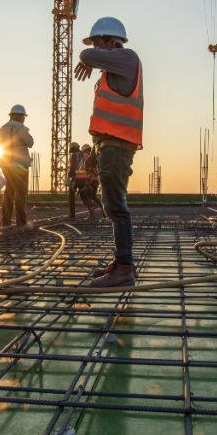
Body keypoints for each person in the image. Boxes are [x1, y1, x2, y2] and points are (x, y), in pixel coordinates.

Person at [75, 17, 142, 288]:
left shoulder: (127, 58)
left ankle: (125, 266)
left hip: (118, 146)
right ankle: (121, 261)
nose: (93, 48)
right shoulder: (110, 72)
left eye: (97, 43)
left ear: (110, 41)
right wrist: (94, 153)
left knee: (116, 205)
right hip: (109, 145)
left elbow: (85, 54)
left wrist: (89, 57)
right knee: (111, 202)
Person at [0, 104, 34, 227]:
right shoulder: (21, 128)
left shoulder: (2, 129)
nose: (24, 119)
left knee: (9, 191)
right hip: (20, 165)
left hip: (6, 165)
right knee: (21, 192)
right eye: (23, 116)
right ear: (17, 116)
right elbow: (30, 142)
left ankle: (6, 221)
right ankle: (21, 222)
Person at [77, 144, 102, 220]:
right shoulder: (93, 159)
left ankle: (92, 215)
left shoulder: (86, 159)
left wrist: (84, 183)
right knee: (93, 197)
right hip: (95, 180)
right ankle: (103, 212)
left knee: (86, 197)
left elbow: (84, 171)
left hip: (90, 181)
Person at [67, 142, 83, 219]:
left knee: (71, 195)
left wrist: (69, 175)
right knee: (85, 195)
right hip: (83, 176)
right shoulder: (82, 155)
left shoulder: (74, 155)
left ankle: (72, 214)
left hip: (75, 176)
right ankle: (92, 212)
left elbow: (73, 167)